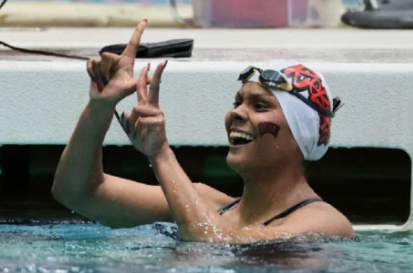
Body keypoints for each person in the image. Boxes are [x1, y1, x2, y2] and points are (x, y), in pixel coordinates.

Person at [52, 20, 354, 244]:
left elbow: (211, 243)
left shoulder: (324, 223)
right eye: (238, 102)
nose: (236, 112)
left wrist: (160, 154)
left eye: (260, 105)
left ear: (302, 136)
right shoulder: (205, 202)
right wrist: (101, 107)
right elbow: (77, 193)